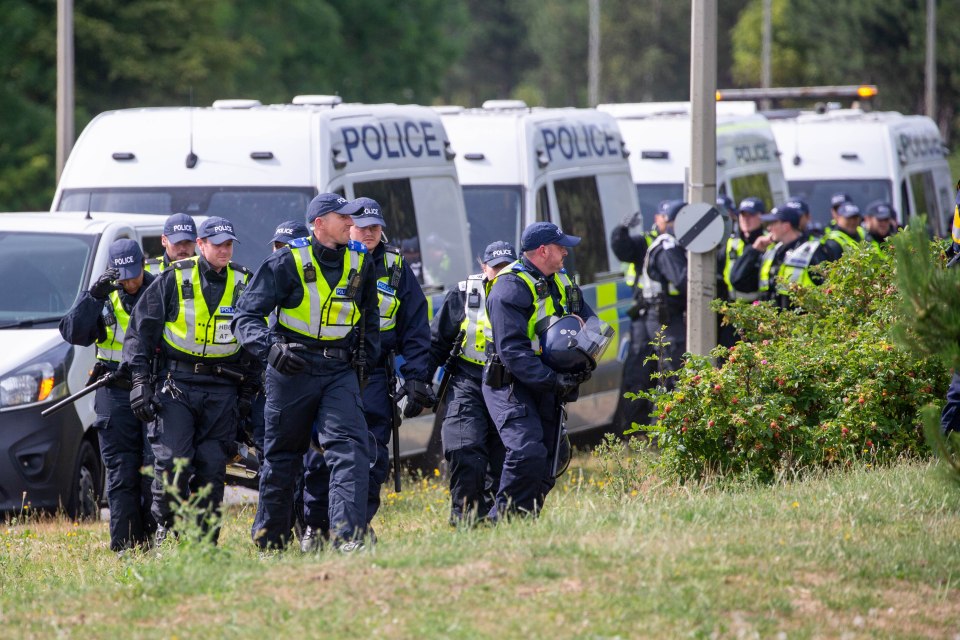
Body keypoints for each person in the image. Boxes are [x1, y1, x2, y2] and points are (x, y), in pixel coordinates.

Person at [230, 193, 379, 552]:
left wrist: (364, 362)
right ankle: (271, 545)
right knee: (282, 458)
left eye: (351, 218)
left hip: (338, 370)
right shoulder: (286, 261)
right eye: (342, 217)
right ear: (319, 224)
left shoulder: (361, 261)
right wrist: (272, 349)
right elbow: (244, 318)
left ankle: (347, 539)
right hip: (291, 369)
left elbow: (370, 317)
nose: (350, 223)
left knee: (351, 451)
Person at [299, 197, 434, 551]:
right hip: (329, 370)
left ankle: (355, 527)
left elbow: (416, 326)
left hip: (373, 376)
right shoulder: (330, 257)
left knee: (371, 458)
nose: (370, 232)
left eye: (376, 226)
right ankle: (316, 525)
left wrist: (418, 376)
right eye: (362, 225)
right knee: (321, 456)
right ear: (347, 225)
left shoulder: (395, 266)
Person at [122, 216, 255, 545]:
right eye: (218, 244)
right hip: (177, 386)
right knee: (172, 465)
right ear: (201, 245)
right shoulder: (174, 278)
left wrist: (250, 390)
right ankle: (166, 529)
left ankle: (204, 545)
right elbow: (140, 332)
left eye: (229, 244)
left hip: (223, 389)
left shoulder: (242, 281)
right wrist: (140, 381)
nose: (225, 250)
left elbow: (255, 335)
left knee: (211, 470)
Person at [482, 222, 596, 519]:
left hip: (547, 383)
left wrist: (585, 363)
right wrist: (553, 380)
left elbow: (591, 325)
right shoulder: (510, 287)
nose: (566, 253)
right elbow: (513, 351)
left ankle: (524, 520)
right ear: (542, 251)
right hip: (511, 383)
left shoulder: (562, 281)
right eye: (561, 247)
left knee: (550, 459)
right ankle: (502, 522)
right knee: (526, 452)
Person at [59, 239, 157, 553]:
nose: (130, 281)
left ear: (144, 263)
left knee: (155, 471)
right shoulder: (103, 296)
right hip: (114, 391)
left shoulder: (160, 289)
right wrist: (93, 297)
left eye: (135, 272)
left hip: (154, 388)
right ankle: (126, 546)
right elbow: (73, 333)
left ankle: (154, 541)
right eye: (123, 275)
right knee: (121, 471)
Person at [429, 240, 514, 525]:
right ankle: (464, 516)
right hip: (468, 380)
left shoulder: (526, 291)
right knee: (464, 446)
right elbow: (437, 341)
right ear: (484, 267)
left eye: (507, 268)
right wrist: (418, 383)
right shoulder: (465, 293)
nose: (501, 273)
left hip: (510, 383)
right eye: (496, 267)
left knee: (505, 455)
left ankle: (497, 516)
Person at [730, 201, 832, 310]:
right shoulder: (772, 251)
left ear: (786, 226)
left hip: (801, 324)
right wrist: (754, 250)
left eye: (773, 223)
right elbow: (737, 280)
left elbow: (828, 292)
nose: (769, 228)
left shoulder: (813, 251)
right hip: (772, 324)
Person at [609, 208, 657, 430]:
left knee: (666, 372)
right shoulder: (646, 241)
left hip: (672, 316)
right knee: (638, 371)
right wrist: (622, 229)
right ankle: (631, 426)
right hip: (644, 314)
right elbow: (622, 248)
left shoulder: (682, 243)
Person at [637, 200, 688, 398]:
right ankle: (665, 427)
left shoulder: (672, 244)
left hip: (667, 318)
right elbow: (683, 280)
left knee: (671, 378)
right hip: (665, 320)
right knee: (676, 375)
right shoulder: (667, 246)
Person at [717, 196, 767, 347]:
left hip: (759, 313)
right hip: (733, 312)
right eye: (743, 215)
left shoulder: (769, 244)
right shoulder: (731, 243)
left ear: (762, 218)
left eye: (751, 215)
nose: (746, 219)